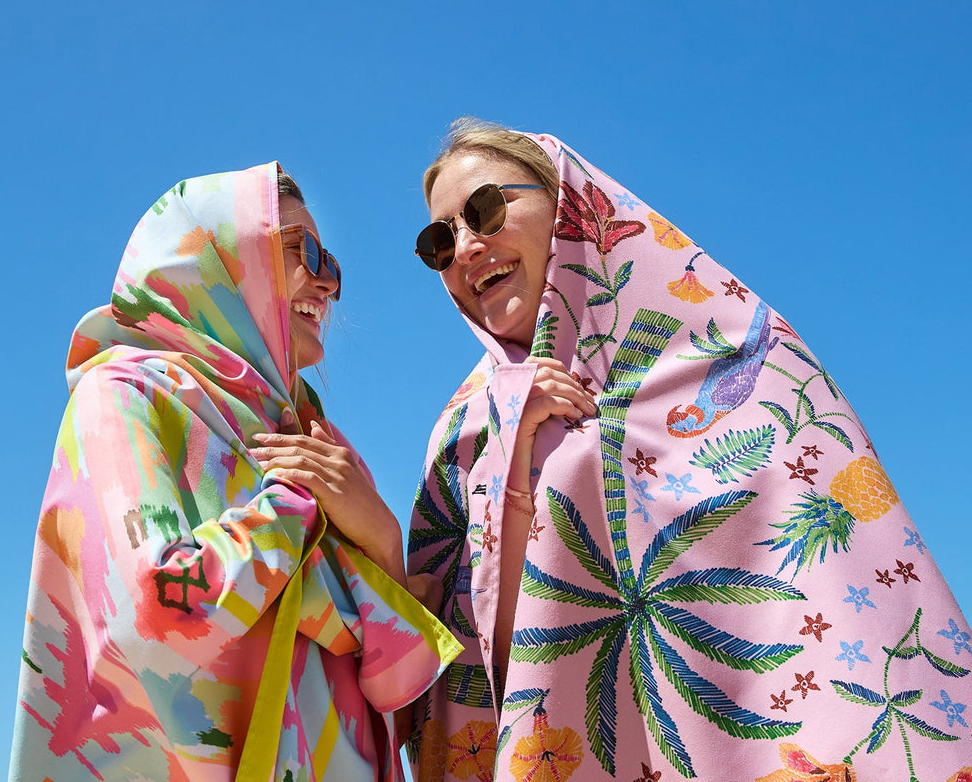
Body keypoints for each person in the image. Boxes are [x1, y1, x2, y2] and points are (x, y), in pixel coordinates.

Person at [405, 120, 972, 781]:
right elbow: (487, 678)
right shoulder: (463, 437)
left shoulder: (740, 354)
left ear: (566, 203)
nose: (468, 247)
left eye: (485, 209)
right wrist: (513, 453)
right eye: (439, 241)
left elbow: (834, 587)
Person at [9, 162, 460, 782]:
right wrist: (295, 504)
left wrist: (382, 539)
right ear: (219, 259)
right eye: (302, 250)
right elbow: (155, 615)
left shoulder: (316, 444)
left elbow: (396, 715)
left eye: (332, 264)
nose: (326, 283)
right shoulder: (126, 396)